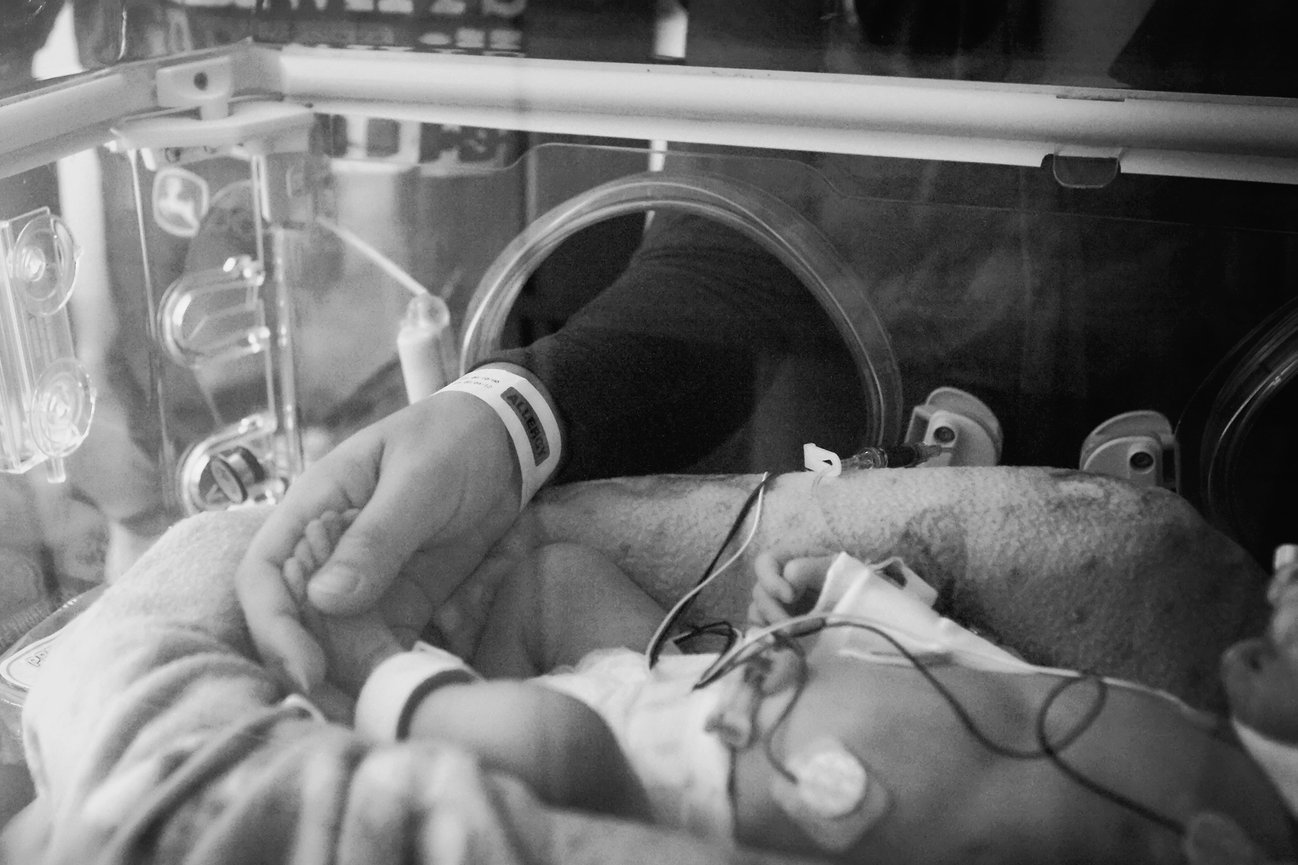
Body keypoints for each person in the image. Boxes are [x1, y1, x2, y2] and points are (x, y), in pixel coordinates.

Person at [281, 509, 1293, 865]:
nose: (1278, 574)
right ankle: (457, 712)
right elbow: (1002, 684)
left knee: (556, 742)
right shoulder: (1200, 736)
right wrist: (858, 595)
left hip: (686, 800)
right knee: (558, 581)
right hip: (724, 678)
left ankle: (375, 678)